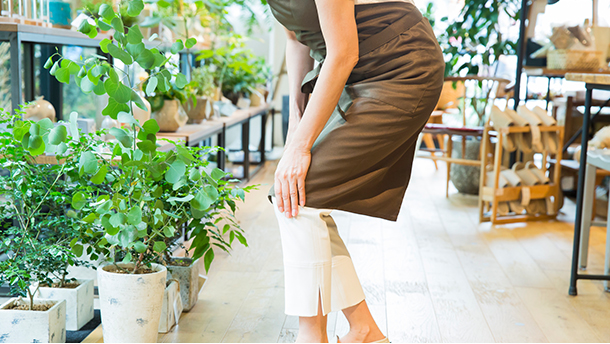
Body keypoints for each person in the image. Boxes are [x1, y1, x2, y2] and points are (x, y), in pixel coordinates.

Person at [266, 0, 445, 341]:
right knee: (296, 194)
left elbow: (343, 52)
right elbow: (296, 38)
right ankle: (364, 331)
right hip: (354, 69)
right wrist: (295, 124)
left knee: (299, 195)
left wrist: (302, 147)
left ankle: (313, 336)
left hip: (400, 66)